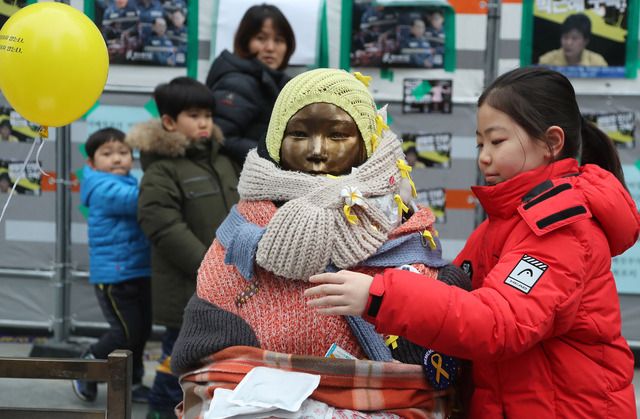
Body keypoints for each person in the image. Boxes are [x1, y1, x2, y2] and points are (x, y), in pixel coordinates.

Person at [305, 66, 639, 419]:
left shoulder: (561, 228)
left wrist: (380, 296)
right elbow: (452, 293)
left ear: (551, 143)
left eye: (497, 142)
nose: (483, 156)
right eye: (480, 143)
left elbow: (498, 322)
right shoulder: (503, 223)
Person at [169, 68, 471, 418]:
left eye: (337, 134)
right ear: (276, 142)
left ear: (366, 142)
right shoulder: (243, 231)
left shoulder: (400, 226)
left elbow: (433, 337)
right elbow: (209, 343)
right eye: (298, 133)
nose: (316, 150)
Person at [125, 76, 240, 419]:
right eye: (194, 114)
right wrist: (212, 266)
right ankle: (158, 412)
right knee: (178, 362)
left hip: (227, 286)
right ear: (169, 122)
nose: (204, 122)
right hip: (187, 290)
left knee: (210, 365)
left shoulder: (222, 160)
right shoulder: (161, 169)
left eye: (208, 114)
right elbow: (162, 226)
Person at [74, 127, 152, 404]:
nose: (117, 159)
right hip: (114, 276)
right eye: (107, 154)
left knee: (142, 331)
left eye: (123, 153)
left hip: (140, 270)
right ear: (92, 164)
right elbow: (137, 202)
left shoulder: (130, 182)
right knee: (125, 332)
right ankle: (88, 364)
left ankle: (133, 382)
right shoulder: (102, 186)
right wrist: (162, 182)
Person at [205, 4, 295, 167]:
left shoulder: (277, 83)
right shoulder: (238, 83)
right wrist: (279, 156)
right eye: (261, 38)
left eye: (279, 40)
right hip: (238, 183)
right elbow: (221, 138)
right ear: (245, 41)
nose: (270, 48)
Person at [538, 13, 608, 66]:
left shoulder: (597, 63)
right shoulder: (547, 61)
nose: (568, 43)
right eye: (565, 37)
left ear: (586, 41)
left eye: (574, 38)